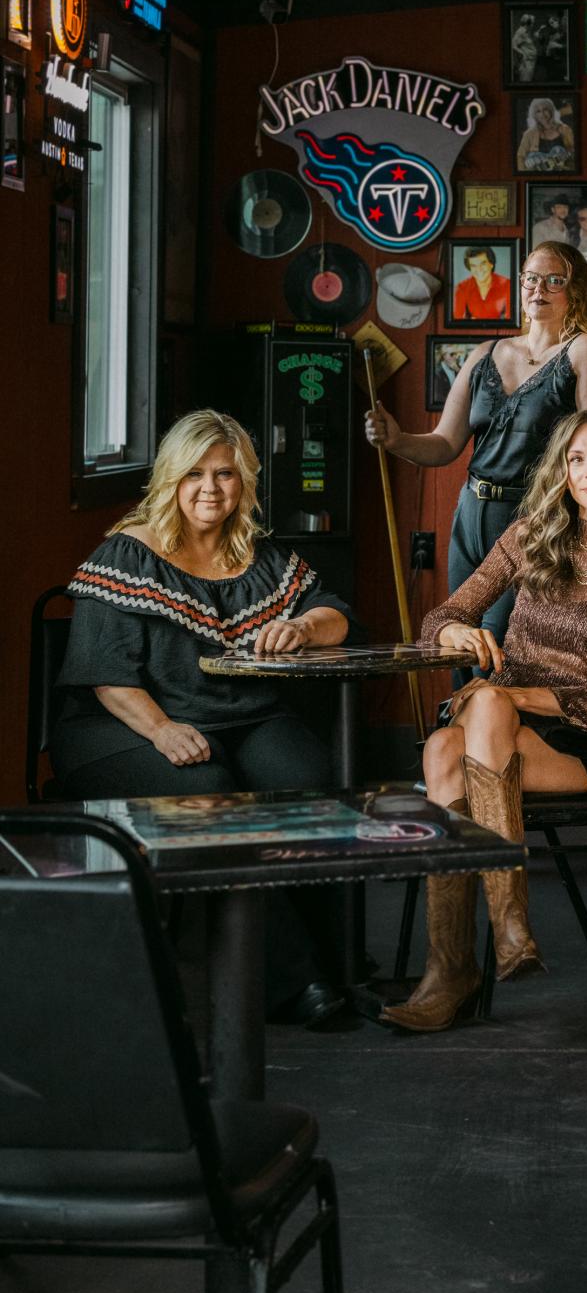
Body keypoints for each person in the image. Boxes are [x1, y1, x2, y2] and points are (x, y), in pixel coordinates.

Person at [51, 410, 353, 1025]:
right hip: (121, 727)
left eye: (224, 474)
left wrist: (301, 625)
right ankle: (292, 980)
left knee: (310, 777)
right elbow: (106, 675)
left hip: (239, 715)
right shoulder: (129, 552)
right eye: (193, 474)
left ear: (245, 480)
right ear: (170, 478)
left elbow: (335, 611)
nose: (209, 489)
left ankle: (336, 961)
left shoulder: (259, 555)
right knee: (209, 794)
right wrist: (161, 729)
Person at [381, 411, 587, 1026]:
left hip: (567, 743)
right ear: (561, 471)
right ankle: (500, 936)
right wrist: (459, 628)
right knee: (469, 720)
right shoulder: (526, 536)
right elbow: (441, 618)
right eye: (575, 459)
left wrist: (513, 699)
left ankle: (459, 965)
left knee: (445, 748)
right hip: (494, 721)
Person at [366, 243, 587, 611]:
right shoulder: (486, 353)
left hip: (536, 515)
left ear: (577, 290)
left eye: (555, 280)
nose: (539, 290)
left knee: (502, 642)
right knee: (458, 631)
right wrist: (396, 439)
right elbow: (443, 443)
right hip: (471, 511)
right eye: (531, 279)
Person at [451, 243, 513, 322]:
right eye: (473, 266)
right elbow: (458, 320)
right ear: (469, 268)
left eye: (482, 264)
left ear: (491, 264)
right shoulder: (462, 287)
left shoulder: (507, 285)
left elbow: (510, 320)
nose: (479, 269)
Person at [515, 97, 575, 173]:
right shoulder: (529, 134)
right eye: (538, 111)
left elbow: (575, 151)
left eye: (545, 109)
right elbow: (520, 157)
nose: (542, 114)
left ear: (551, 111)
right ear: (534, 115)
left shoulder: (565, 129)